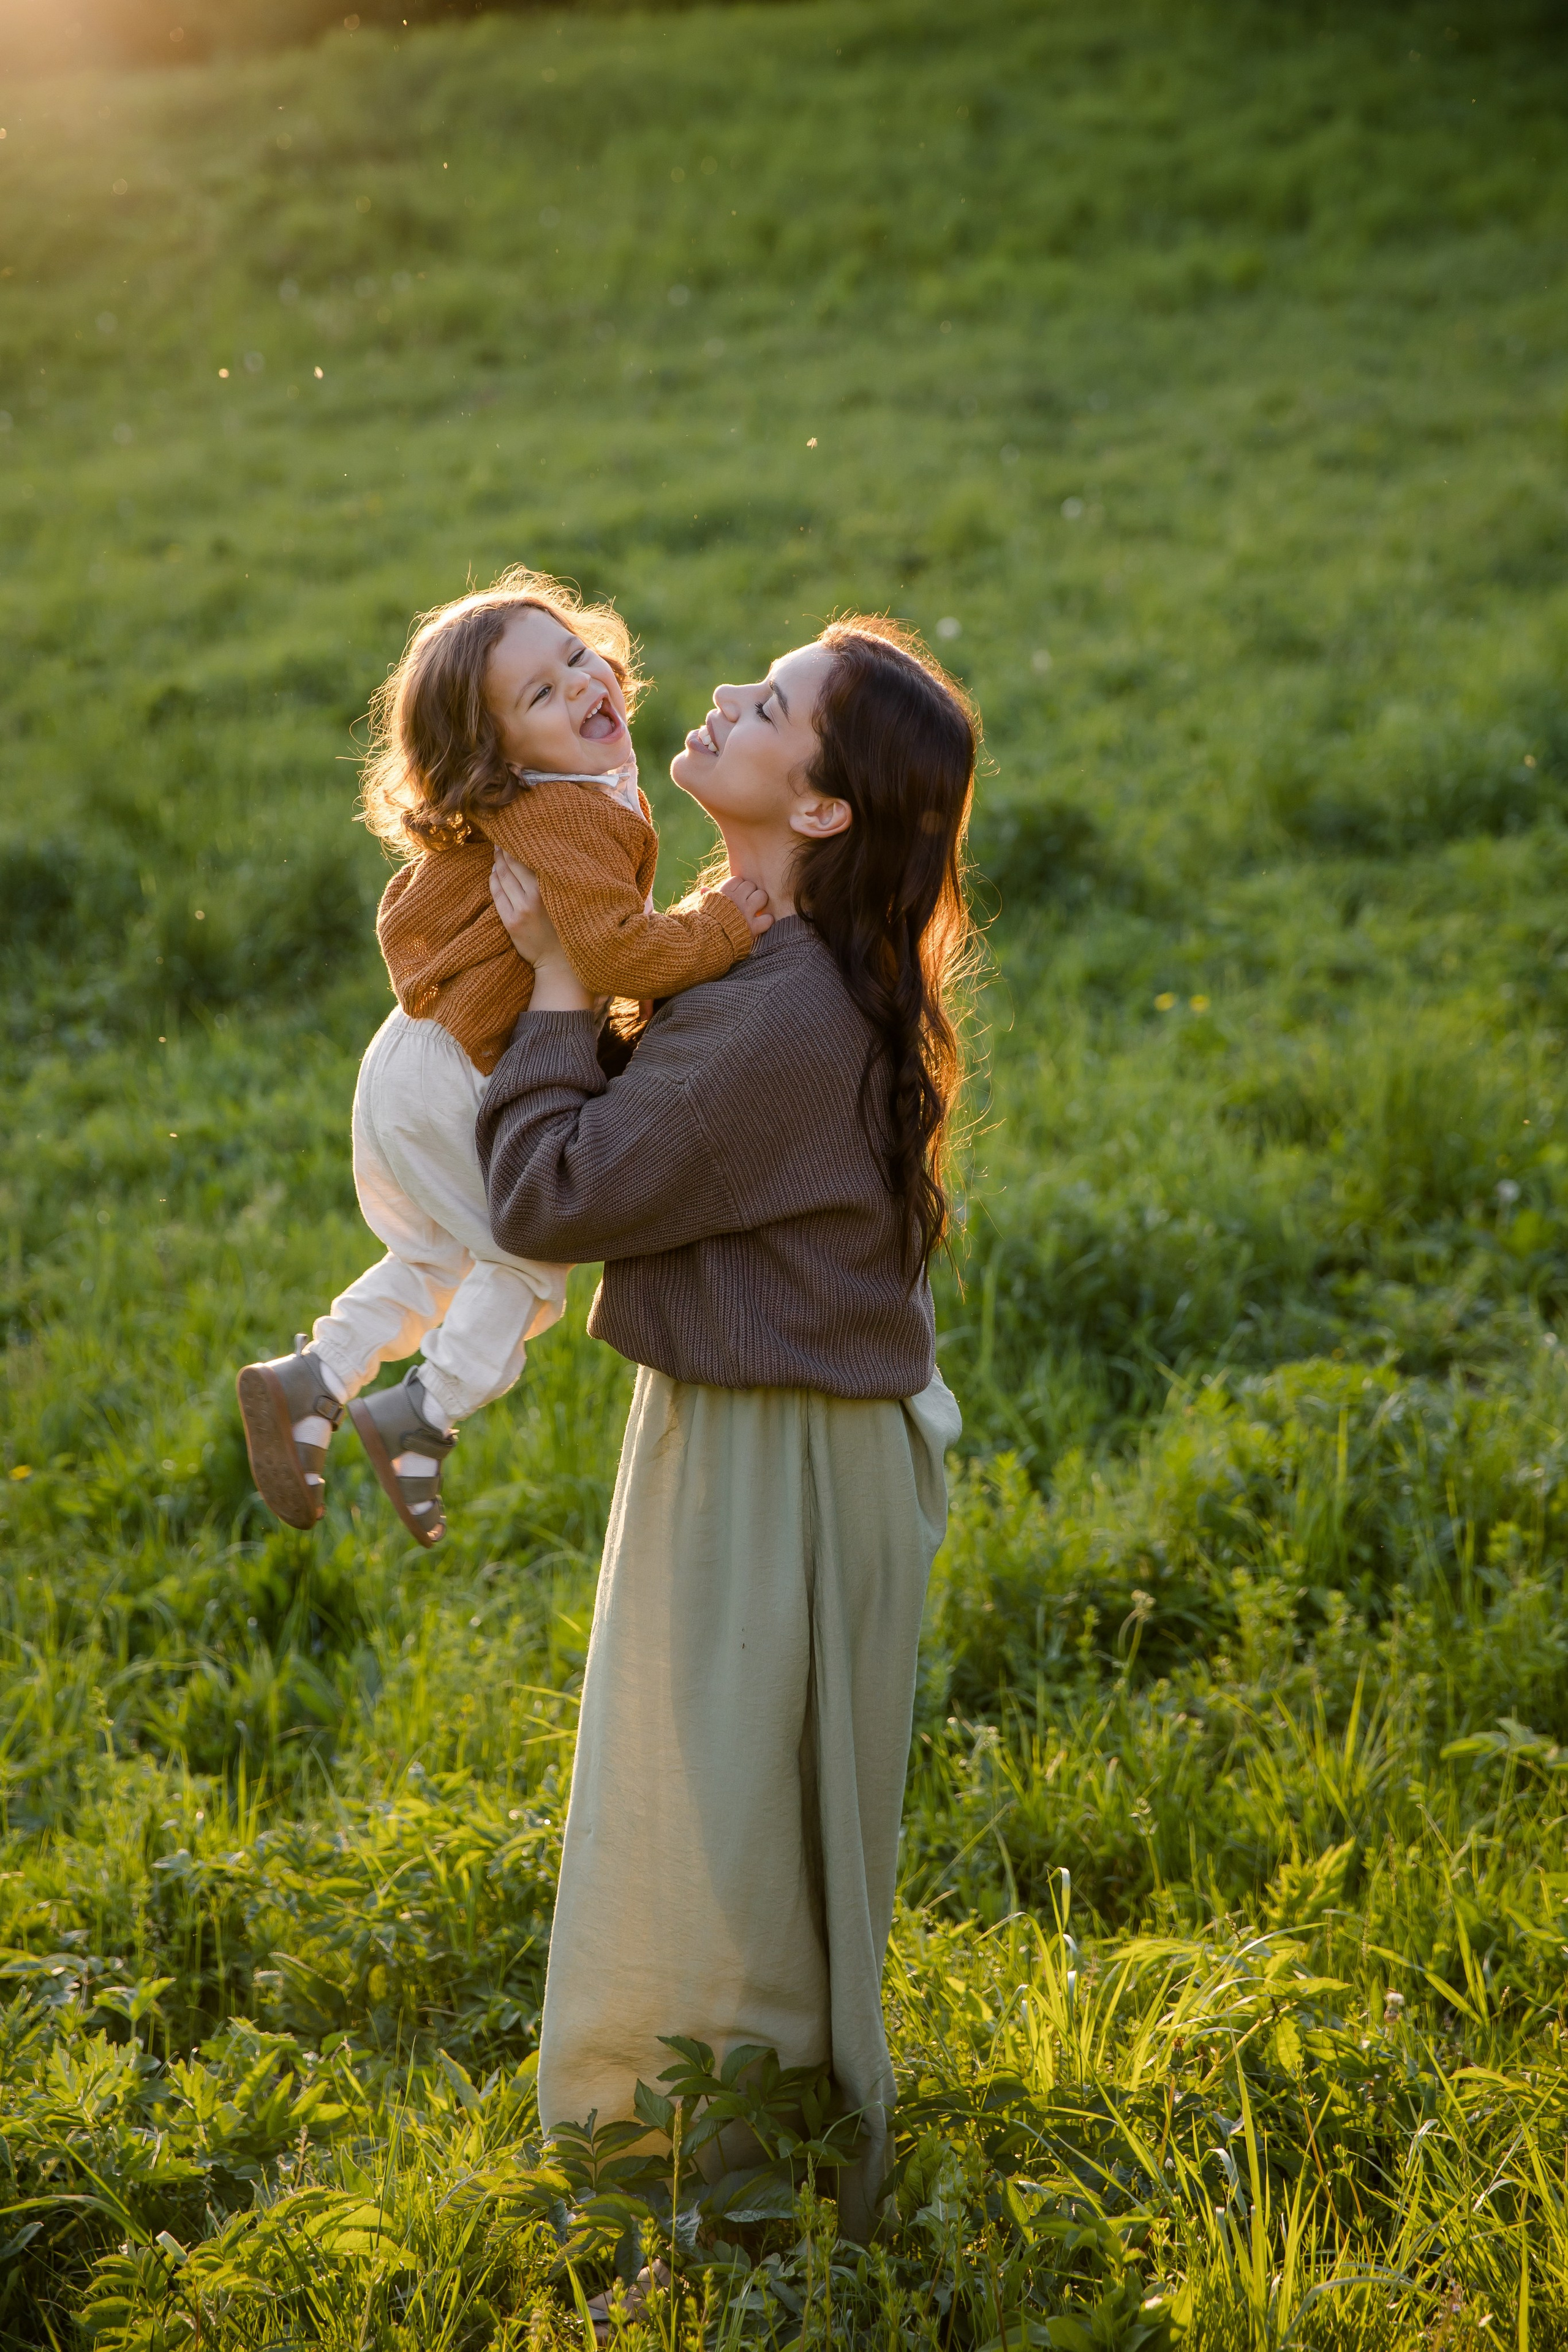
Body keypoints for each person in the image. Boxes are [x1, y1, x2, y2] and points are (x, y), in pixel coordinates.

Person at [477, 616, 976, 2244]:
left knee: (730, 1841)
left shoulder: (782, 1015)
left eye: (768, 708)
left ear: (820, 810)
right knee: (742, 1819)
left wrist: (555, 976)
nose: (717, 703)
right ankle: (746, 2182)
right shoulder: (774, 955)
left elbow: (556, 1192)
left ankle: (732, 2211)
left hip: (782, 1450)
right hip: (789, 1425)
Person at [235, 568, 767, 1548]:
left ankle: (317, 1376)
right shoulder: (567, 814)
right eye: (539, 695)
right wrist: (723, 925)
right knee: (528, 1258)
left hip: (407, 1061)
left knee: (438, 1254)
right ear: (496, 757)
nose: (578, 686)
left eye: (574, 658)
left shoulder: (559, 795)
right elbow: (613, 950)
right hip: (456, 1074)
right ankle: (422, 1415)